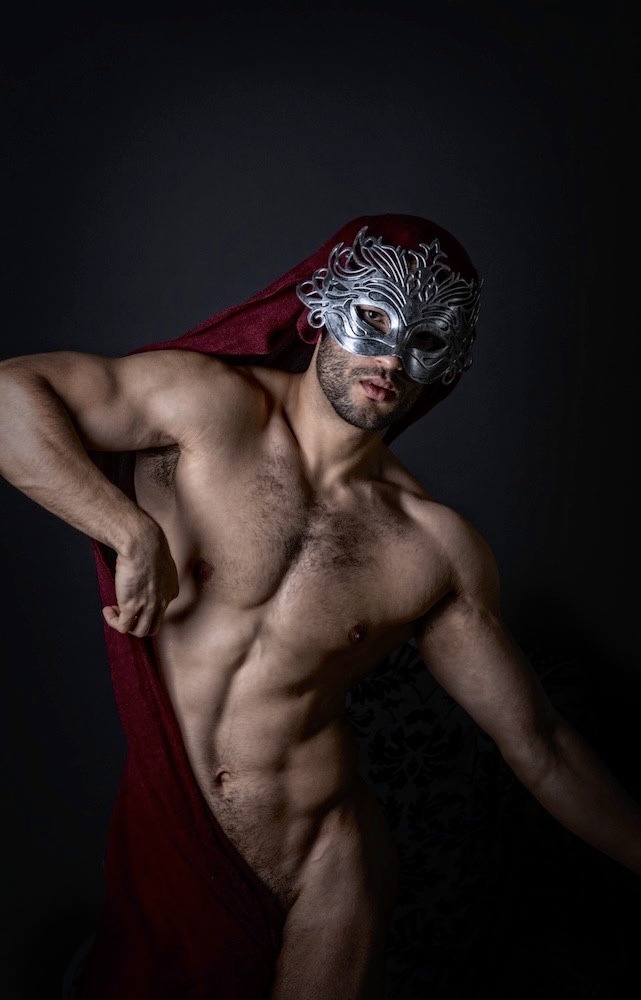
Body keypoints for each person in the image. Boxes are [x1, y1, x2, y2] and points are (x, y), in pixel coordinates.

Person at [1, 213, 639, 1000]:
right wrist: (126, 530)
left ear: (450, 361)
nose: (391, 359)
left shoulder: (431, 546)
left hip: (328, 869)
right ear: (319, 307)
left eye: (425, 340)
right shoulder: (204, 410)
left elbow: (539, 744)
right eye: (373, 318)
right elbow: (9, 394)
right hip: (172, 843)